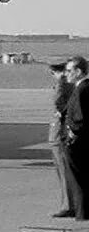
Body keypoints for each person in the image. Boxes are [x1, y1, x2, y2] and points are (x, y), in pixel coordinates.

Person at [61, 56, 89, 220]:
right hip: (81, 142)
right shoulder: (83, 87)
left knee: (78, 179)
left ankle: (82, 214)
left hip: (77, 143)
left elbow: (79, 117)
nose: (66, 74)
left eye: (70, 71)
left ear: (78, 72)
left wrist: (73, 135)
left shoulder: (82, 89)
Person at [48, 62, 76, 217]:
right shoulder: (70, 85)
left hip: (60, 134)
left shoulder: (62, 85)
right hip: (64, 133)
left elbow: (58, 104)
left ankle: (68, 206)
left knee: (63, 170)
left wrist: (61, 113)